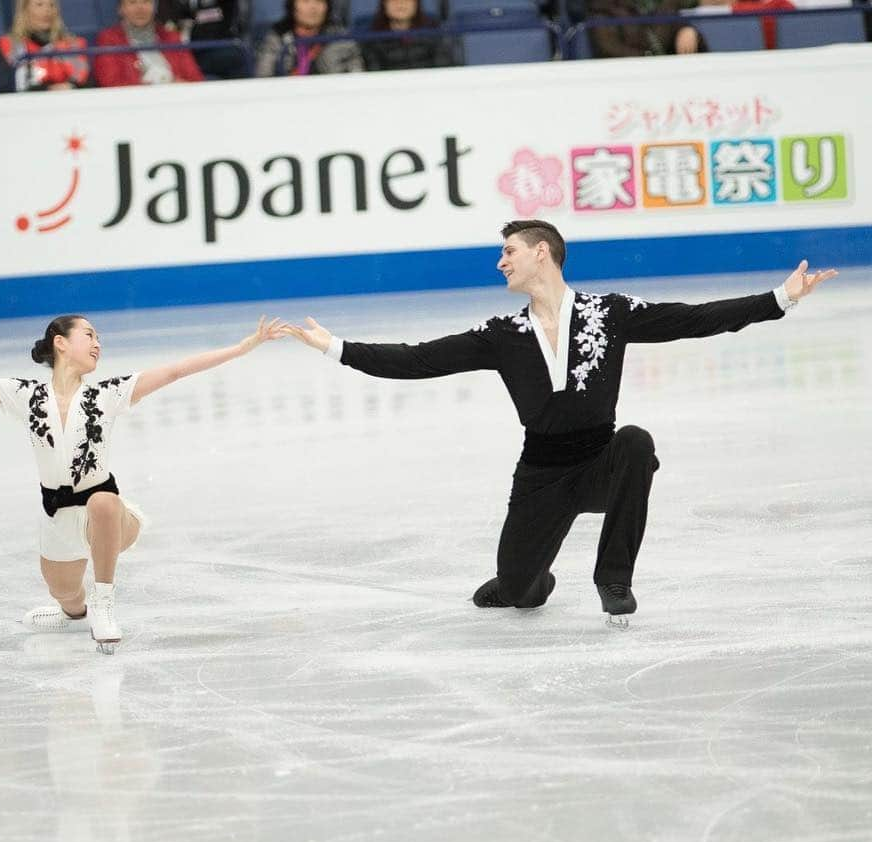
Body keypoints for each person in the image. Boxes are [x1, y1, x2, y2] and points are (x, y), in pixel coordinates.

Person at [284, 220, 837, 626]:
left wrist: (780, 299)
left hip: (600, 461)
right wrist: (335, 346)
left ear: (541, 252)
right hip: (541, 476)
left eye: (509, 252)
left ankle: (613, 577)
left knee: (636, 443)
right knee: (518, 592)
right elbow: (418, 359)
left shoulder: (610, 313)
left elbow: (692, 320)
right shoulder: (501, 333)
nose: (500, 262)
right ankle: (530, 579)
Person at [0, 315, 288, 652]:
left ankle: (105, 603)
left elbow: (175, 370)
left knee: (103, 502)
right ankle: (75, 612)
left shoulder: (108, 394)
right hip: (57, 516)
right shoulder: (25, 396)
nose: (98, 343)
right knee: (63, 592)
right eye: (89, 335)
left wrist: (245, 346)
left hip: (108, 515)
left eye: (98, 337)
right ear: (61, 343)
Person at [94, 0, 204, 87]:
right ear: (121, 9)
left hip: (176, 99)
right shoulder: (109, 39)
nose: (140, 8)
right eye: (132, 2)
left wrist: (177, 85)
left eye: (146, 1)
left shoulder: (171, 37)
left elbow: (195, 78)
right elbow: (110, 83)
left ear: (154, 7)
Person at [0, 0, 89, 92]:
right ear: (24, 10)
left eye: (52, 5)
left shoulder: (73, 44)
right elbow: (5, 87)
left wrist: (71, 86)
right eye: (39, 4)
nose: (47, 10)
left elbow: (86, 83)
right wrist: (48, 89)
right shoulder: (10, 44)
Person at [255, 0, 364, 77]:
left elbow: (358, 75)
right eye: (305, 1)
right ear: (293, 5)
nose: (313, 7)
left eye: (319, 1)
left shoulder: (341, 38)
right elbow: (263, 76)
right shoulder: (277, 36)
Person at [586, 0, 728, 57]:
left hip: (670, 79)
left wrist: (688, 31)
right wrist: (648, 58)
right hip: (630, 81)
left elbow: (677, 25)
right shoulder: (603, 6)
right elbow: (607, 46)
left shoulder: (666, 3)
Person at [362, 0, 455, 71]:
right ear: (384, 5)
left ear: (416, 4)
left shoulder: (433, 31)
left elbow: (444, 68)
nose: (401, 3)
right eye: (394, 0)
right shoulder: (372, 37)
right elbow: (373, 73)